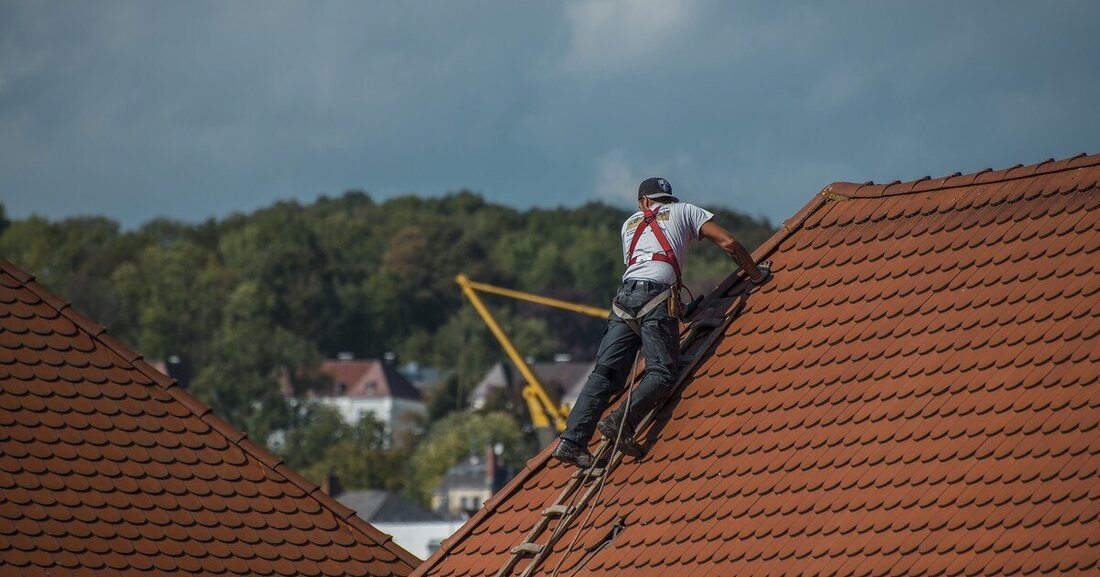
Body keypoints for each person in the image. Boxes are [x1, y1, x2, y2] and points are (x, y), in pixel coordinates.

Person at [552, 177, 771, 468]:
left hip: (623, 300)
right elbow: (728, 242)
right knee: (662, 372)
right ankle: (621, 422)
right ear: (666, 199)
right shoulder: (685, 210)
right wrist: (755, 274)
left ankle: (571, 441)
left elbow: (643, 264)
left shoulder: (628, 224)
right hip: (656, 296)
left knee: (605, 373)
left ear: (643, 202)